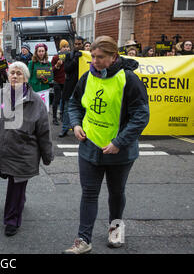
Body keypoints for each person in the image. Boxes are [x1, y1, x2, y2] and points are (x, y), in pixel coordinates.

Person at [63, 36, 149, 254]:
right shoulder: (87, 77)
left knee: (116, 193)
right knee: (89, 194)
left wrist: (119, 142)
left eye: (100, 57)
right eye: (92, 56)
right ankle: (83, 239)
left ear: (114, 57)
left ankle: (115, 231)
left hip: (120, 151)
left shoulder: (129, 80)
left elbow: (141, 116)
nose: (95, 61)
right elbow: (74, 103)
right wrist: (75, 124)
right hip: (90, 147)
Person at [0, 62, 53, 237]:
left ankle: (12, 221)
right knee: (15, 183)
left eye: (19, 73)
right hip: (3, 149)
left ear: (26, 78)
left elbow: (44, 131)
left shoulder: (36, 102)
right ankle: (18, 201)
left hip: (24, 151)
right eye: (12, 73)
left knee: (16, 184)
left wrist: (47, 155)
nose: (15, 76)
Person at [59, 36, 84, 137]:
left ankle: (81, 128)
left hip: (83, 86)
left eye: (79, 44)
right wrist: (75, 60)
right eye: (76, 44)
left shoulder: (87, 56)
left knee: (83, 108)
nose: (77, 46)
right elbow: (66, 69)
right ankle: (65, 128)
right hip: (70, 86)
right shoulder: (69, 55)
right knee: (67, 109)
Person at [51, 40, 70, 125]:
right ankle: (54, 118)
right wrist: (57, 65)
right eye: (64, 47)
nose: (66, 48)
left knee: (65, 99)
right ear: (60, 48)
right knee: (56, 99)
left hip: (66, 81)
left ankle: (62, 116)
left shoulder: (69, 56)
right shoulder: (56, 57)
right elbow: (51, 71)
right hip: (57, 81)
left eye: (67, 47)